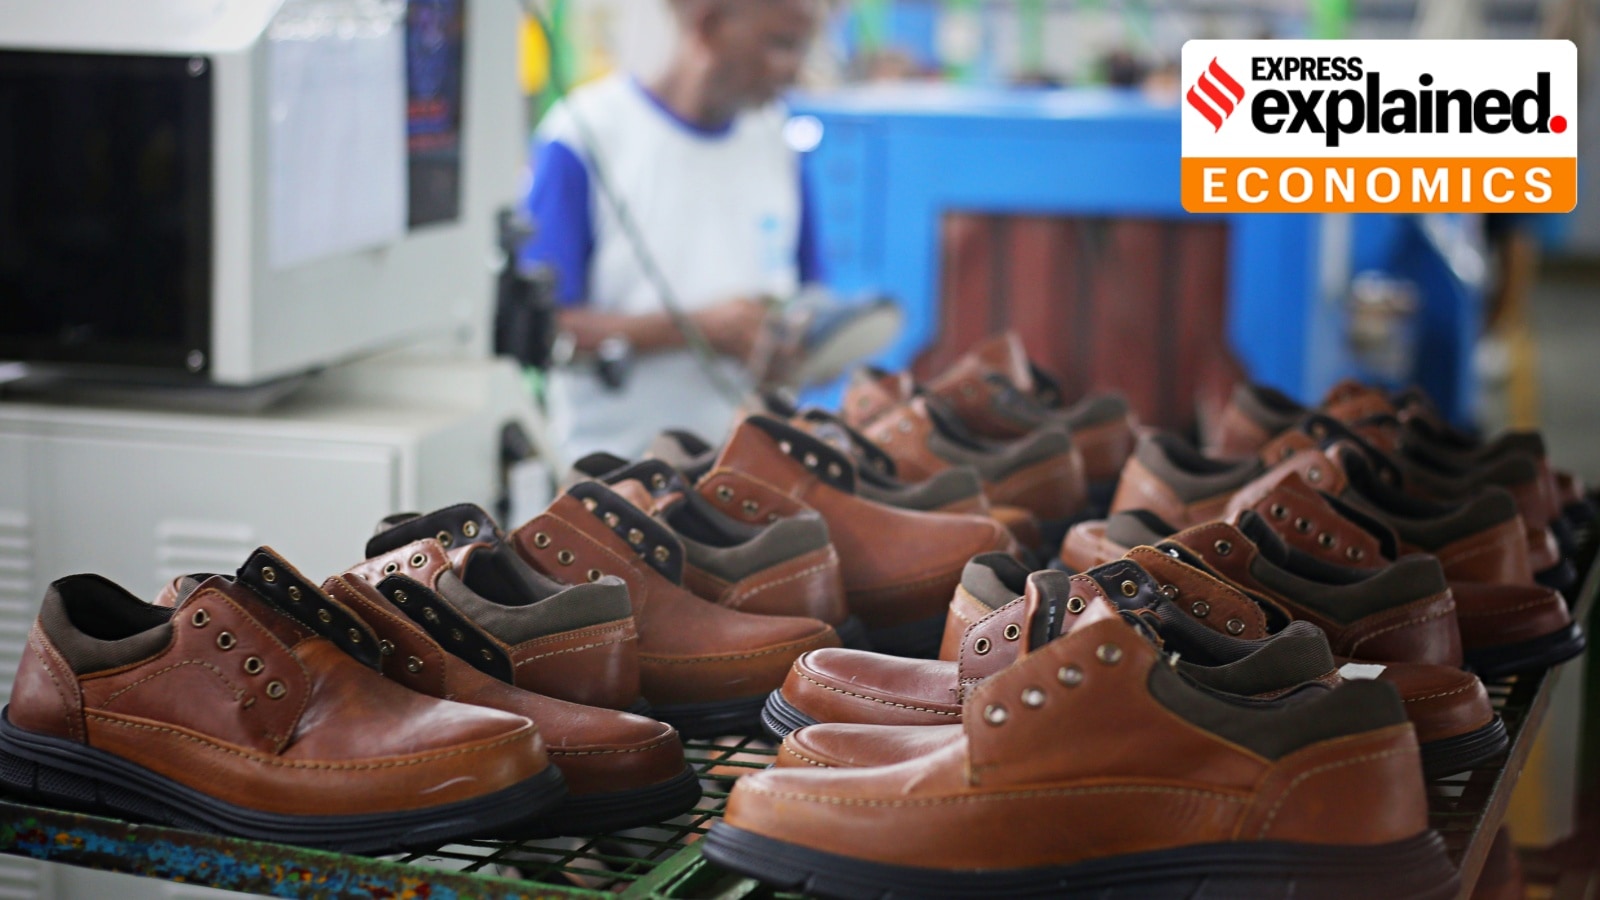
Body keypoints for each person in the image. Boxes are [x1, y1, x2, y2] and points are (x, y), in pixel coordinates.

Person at [521, 0, 823, 462]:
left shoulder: (776, 142)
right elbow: (542, 330)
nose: (795, 71)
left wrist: (792, 344)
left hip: (746, 476)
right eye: (780, 45)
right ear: (709, 26)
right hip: (617, 485)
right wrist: (698, 330)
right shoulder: (586, 137)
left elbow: (810, 293)